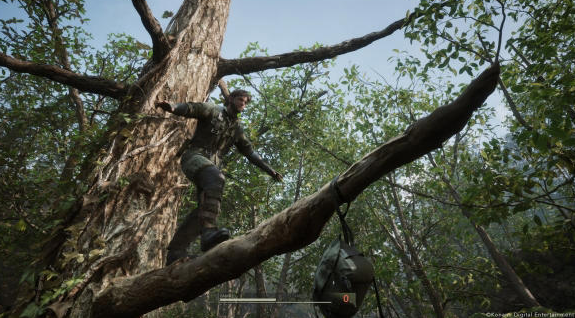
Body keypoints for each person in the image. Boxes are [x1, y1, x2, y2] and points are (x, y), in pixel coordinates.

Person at [156, 90, 283, 265]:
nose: (242, 104)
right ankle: (208, 231)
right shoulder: (213, 110)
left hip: (211, 166)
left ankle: (176, 252)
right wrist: (172, 107)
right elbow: (192, 108)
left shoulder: (237, 128)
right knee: (217, 179)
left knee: (203, 208)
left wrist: (270, 171)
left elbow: (250, 152)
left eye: (246, 103)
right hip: (194, 157)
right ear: (230, 99)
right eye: (240, 99)